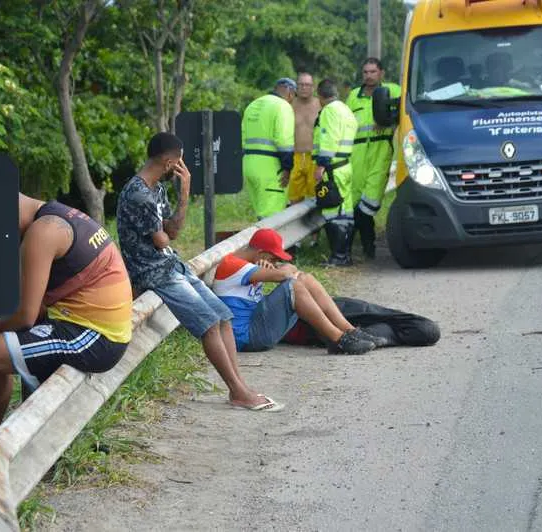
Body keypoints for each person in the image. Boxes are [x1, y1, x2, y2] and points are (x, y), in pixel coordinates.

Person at [0, 193, 134, 486]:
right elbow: (33, 309)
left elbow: (26, 315)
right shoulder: (56, 215)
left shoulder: (44, 232)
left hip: (93, 337)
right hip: (91, 328)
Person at [117, 132, 283, 412]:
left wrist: (184, 193)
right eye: (180, 161)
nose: (182, 167)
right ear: (169, 162)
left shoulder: (157, 189)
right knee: (208, 323)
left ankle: (239, 386)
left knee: (223, 315)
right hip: (152, 271)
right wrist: (167, 231)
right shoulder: (138, 194)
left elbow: (173, 231)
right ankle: (238, 391)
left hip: (170, 264)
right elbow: (161, 241)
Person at [212, 228, 376, 355]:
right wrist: (283, 268)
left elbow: (292, 271)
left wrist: (279, 268)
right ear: (261, 253)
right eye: (274, 258)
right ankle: (338, 340)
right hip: (247, 338)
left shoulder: (251, 265)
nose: (275, 262)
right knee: (294, 286)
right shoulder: (232, 264)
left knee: (305, 278)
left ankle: (350, 330)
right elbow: (285, 274)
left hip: (256, 328)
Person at [346, 58, 401, 259]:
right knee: (354, 204)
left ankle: (361, 247)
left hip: (380, 151)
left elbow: (403, 111)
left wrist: (389, 121)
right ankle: (365, 249)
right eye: (365, 72)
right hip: (357, 155)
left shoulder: (393, 90)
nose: (369, 76)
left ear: (381, 73)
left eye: (373, 72)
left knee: (368, 204)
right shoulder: (353, 96)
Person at [313, 79, 359, 266]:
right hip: (345, 165)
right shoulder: (346, 109)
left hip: (333, 168)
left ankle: (338, 257)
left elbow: (329, 137)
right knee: (346, 212)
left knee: (333, 212)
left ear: (320, 96)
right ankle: (345, 255)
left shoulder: (329, 111)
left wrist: (321, 164)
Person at [241, 78, 297, 220]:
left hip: (249, 165)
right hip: (271, 170)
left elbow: (242, 137)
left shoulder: (253, 105)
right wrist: (287, 168)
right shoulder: (283, 107)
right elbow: (284, 141)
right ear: (290, 92)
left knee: (261, 214)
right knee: (272, 218)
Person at [289, 72, 321, 205]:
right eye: (301, 84)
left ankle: (315, 225)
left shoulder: (320, 104)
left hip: (313, 157)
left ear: (313, 87)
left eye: (307, 85)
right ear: (296, 87)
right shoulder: (289, 104)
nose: (304, 88)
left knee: (315, 195)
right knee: (294, 197)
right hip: (294, 156)